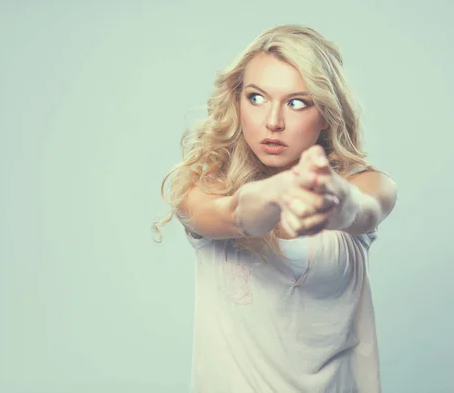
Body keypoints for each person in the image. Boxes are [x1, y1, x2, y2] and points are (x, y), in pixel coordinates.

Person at [153, 24, 397, 393]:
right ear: (236, 102)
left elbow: (365, 209)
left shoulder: (367, 183)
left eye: (297, 102)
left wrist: (335, 201)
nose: (273, 121)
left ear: (327, 114)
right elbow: (233, 212)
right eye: (256, 98)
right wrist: (276, 194)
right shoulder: (201, 189)